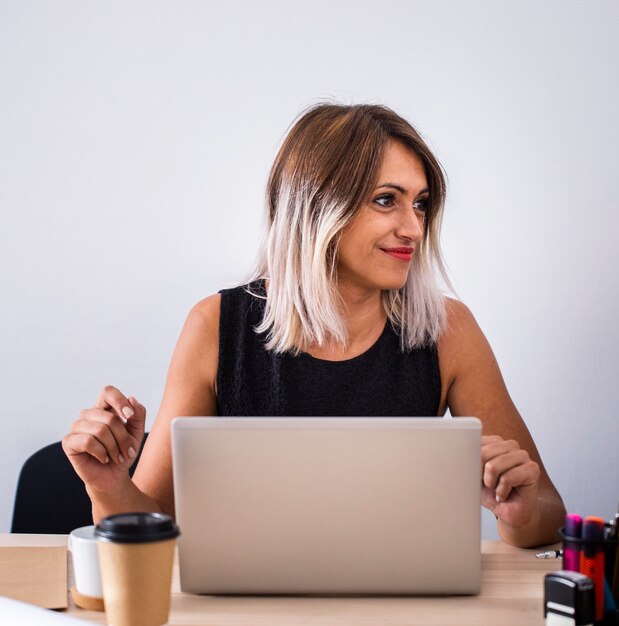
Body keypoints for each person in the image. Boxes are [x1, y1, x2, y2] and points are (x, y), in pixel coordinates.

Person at [62, 103, 565, 548]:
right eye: (387, 200)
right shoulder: (215, 325)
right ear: (317, 207)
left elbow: (545, 509)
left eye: (421, 202)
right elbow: (152, 524)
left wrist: (518, 512)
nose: (413, 227)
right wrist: (108, 487)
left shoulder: (449, 329)